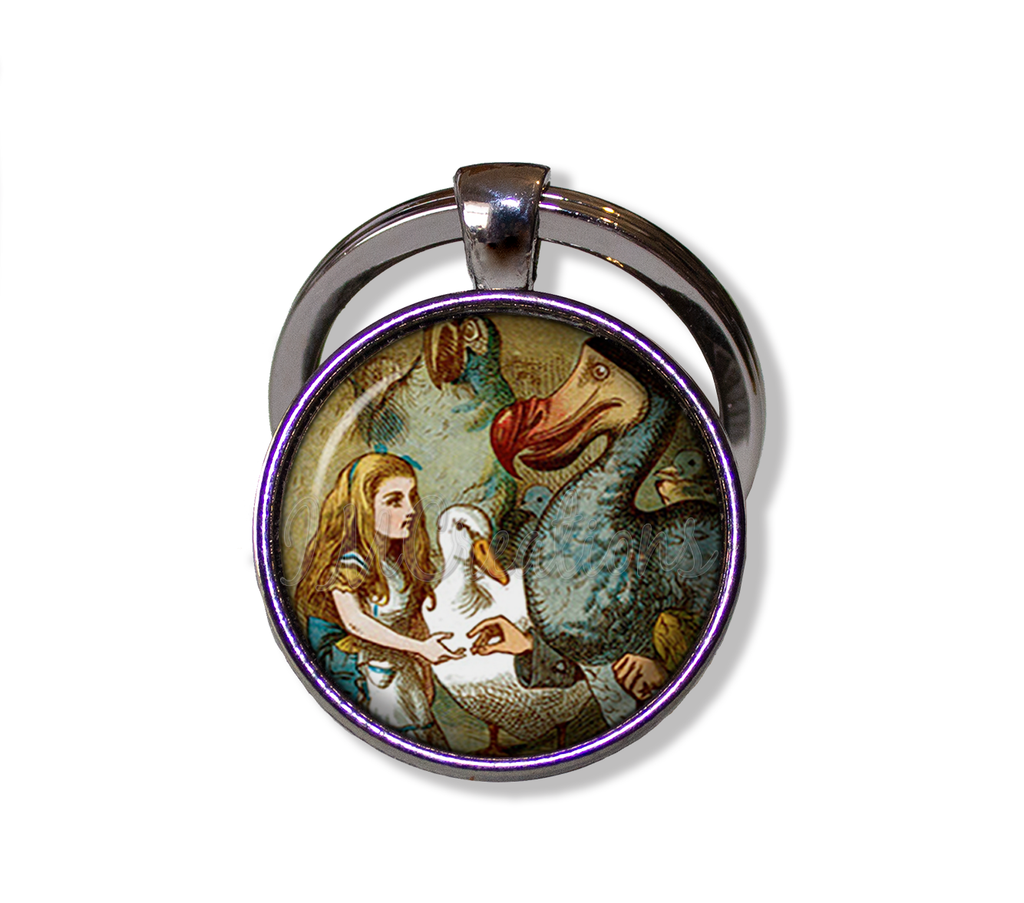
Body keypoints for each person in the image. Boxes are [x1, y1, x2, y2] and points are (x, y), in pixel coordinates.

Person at [294, 453, 464, 748]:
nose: (410, 510)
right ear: (364, 506)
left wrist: (423, 664)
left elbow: (411, 619)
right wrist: (420, 648)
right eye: (395, 501)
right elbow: (356, 623)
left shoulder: (396, 562)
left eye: (412, 497)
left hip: (399, 670)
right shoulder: (350, 562)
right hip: (371, 677)